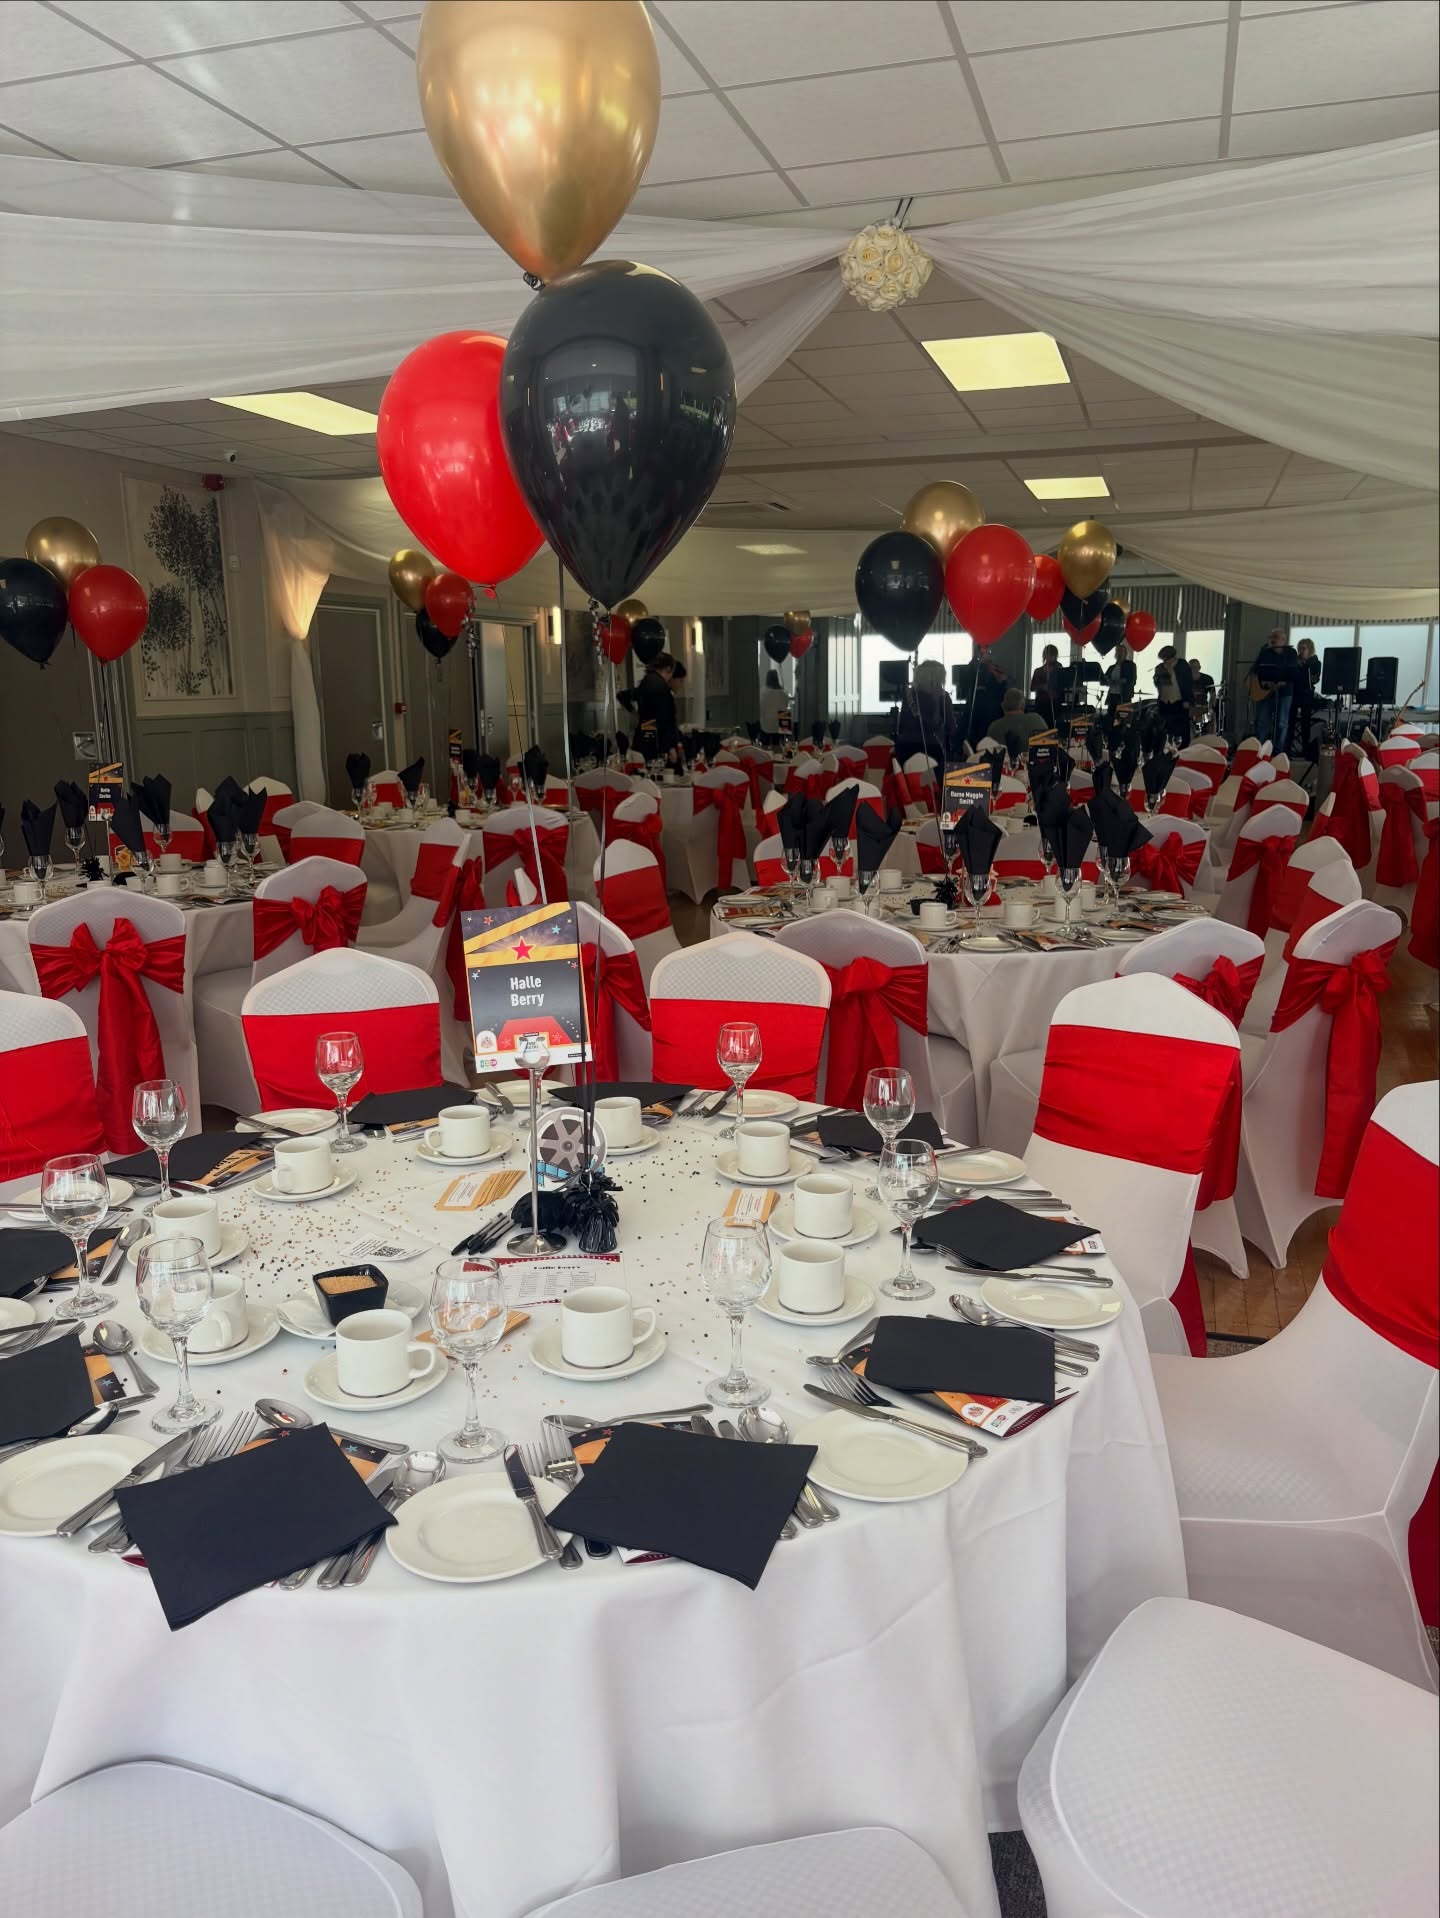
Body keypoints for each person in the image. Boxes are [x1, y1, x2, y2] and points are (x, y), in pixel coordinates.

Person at [895, 655, 956, 766]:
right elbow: (951, 728)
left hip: (905, 747)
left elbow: (901, 726)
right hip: (932, 748)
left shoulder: (909, 696)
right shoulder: (943, 696)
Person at [1249, 627, 1298, 748]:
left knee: (1281, 723)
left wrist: (1281, 682)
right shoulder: (1265, 652)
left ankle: (1278, 750)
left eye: (1275, 637)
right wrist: (1266, 683)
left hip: (1285, 692)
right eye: (1271, 637)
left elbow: (1294, 672)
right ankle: (1260, 749)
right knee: (1262, 722)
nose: (1272, 640)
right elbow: (1255, 670)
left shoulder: (1291, 653)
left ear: (1283, 640)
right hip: (1266, 691)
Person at [634, 651, 680, 763]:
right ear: (668, 668)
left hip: (645, 735)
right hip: (659, 743)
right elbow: (665, 719)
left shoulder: (645, 682)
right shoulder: (661, 687)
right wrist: (670, 747)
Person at [1153, 645, 1194, 747]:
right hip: (1164, 702)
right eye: (1163, 659)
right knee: (1164, 729)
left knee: (1182, 729)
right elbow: (1158, 684)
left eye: (1166, 659)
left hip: (1179, 701)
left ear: (1172, 656)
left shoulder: (1183, 665)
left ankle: (1182, 752)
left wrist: (1188, 700)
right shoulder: (1160, 667)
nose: (1165, 661)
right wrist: (1156, 677)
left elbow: (1188, 684)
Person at [967, 652, 1009, 745]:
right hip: (979, 711)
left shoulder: (996, 670)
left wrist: (998, 676)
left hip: (994, 711)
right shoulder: (977, 668)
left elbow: (1003, 684)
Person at [1291, 636, 1320, 756]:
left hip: (1307, 695)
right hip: (1294, 694)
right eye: (1300, 648)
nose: (1301, 651)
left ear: (1310, 650)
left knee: (1305, 722)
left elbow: (1315, 679)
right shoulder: (1294, 661)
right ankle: (1287, 749)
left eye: (1304, 648)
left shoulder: (1315, 663)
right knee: (1290, 721)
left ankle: (1306, 750)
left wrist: (1306, 667)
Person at [1030, 644, 1062, 728]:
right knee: (1042, 726)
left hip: (1055, 703)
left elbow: (1063, 685)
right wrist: (1042, 687)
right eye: (1049, 655)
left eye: (1053, 655)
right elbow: (1032, 688)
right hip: (1041, 703)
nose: (1051, 657)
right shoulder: (1038, 671)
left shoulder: (1059, 669)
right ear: (1045, 655)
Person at [1104, 643, 1136, 710]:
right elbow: (1104, 679)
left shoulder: (1131, 665)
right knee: (1111, 714)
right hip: (1112, 695)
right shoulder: (1112, 667)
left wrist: (1121, 681)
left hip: (1124, 696)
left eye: (1121, 651)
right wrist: (1107, 680)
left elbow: (1132, 680)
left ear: (1125, 653)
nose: (1119, 653)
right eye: (1118, 651)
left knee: (1123, 715)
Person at [758, 669, 787, 739]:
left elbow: (761, 709)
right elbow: (785, 707)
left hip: (767, 723)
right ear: (777, 678)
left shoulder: (763, 692)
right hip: (782, 723)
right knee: (778, 745)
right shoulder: (783, 693)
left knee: (765, 746)